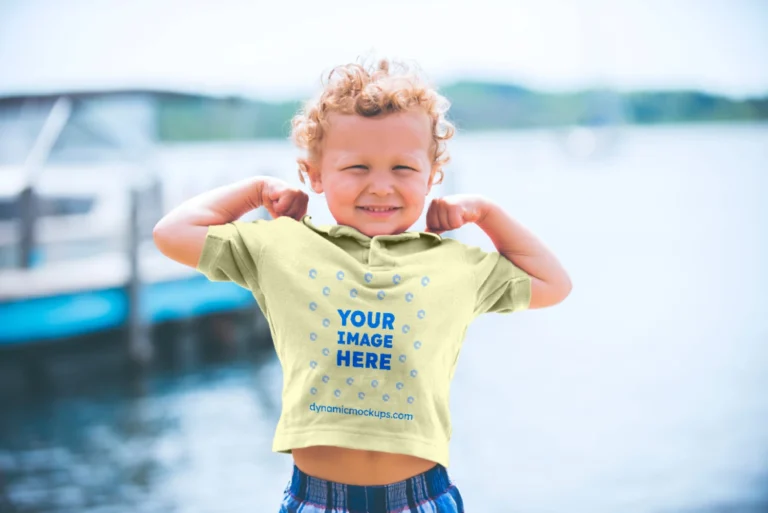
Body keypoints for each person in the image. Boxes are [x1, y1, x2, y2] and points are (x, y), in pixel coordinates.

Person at [153, 57, 572, 513]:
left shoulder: (455, 264)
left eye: (402, 169)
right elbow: (171, 234)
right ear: (314, 175)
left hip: (421, 496)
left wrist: (486, 214)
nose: (380, 186)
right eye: (356, 168)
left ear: (432, 176)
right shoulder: (282, 248)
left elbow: (553, 283)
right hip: (316, 499)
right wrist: (254, 192)